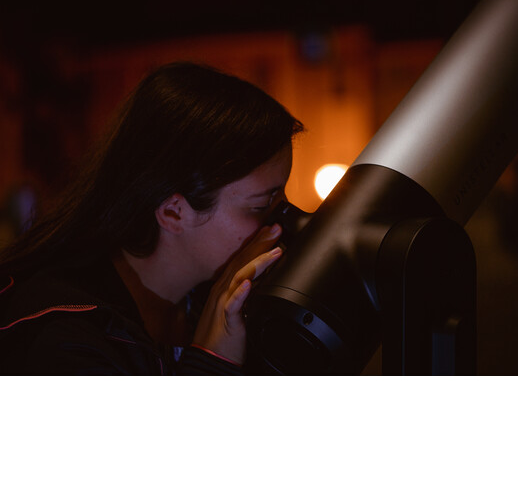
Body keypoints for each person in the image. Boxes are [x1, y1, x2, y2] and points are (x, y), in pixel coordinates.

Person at [0, 62, 304, 375]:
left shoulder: (213, 303)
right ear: (173, 212)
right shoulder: (62, 340)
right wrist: (212, 361)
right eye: (261, 205)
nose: (282, 219)